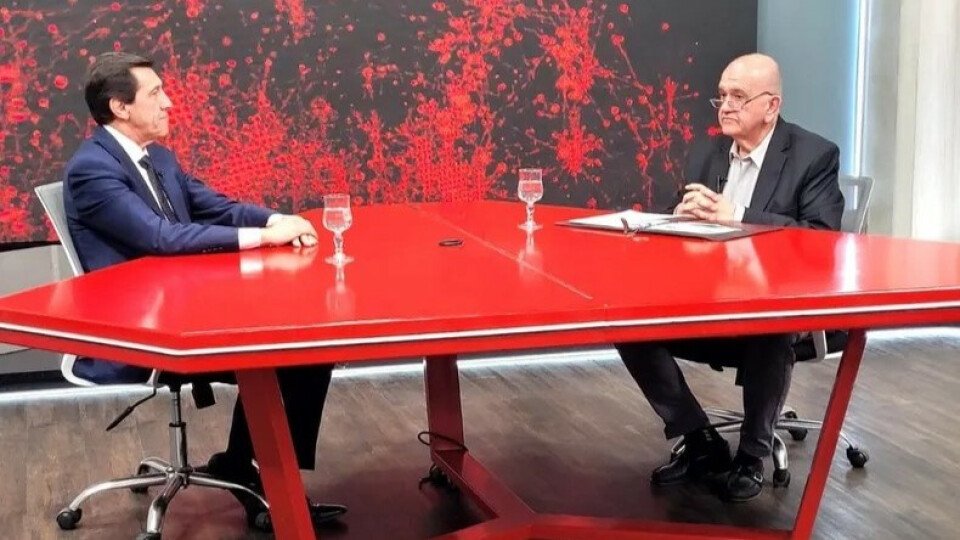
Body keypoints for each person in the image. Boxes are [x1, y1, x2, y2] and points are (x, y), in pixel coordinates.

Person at [63, 52, 345, 528]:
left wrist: (279, 220)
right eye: (156, 93)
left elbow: (216, 207)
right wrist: (264, 239)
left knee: (308, 343)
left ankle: (248, 466)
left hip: (181, 306)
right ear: (120, 107)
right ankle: (267, 483)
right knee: (291, 351)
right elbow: (160, 237)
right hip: (138, 331)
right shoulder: (92, 169)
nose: (169, 102)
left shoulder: (158, 157)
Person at [615, 53, 844, 502]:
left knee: (771, 326)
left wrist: (737, 215)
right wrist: (676, 215)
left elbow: (821, 240)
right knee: (627, 322)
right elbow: (678, 221)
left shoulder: (814, 155)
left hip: (780, 307)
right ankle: (699, 439)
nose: (726, 106)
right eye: (721, 95)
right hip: (711, 302)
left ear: (771, 106)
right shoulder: (710, 151)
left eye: (739, 96)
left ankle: (752, 456)